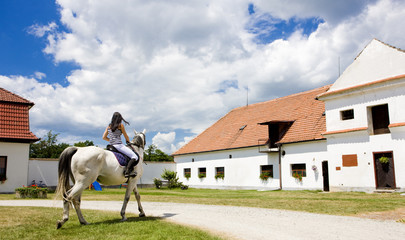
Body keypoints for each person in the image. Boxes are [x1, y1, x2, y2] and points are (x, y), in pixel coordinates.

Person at [103, 112, 139, 178]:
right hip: (119, 145)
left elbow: (104, 137)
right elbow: (126, 136)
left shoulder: (109, 126)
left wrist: (111, 140)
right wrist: (128, 141)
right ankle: (127, 172)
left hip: (111, 146)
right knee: (135, 157)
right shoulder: (120, 125)